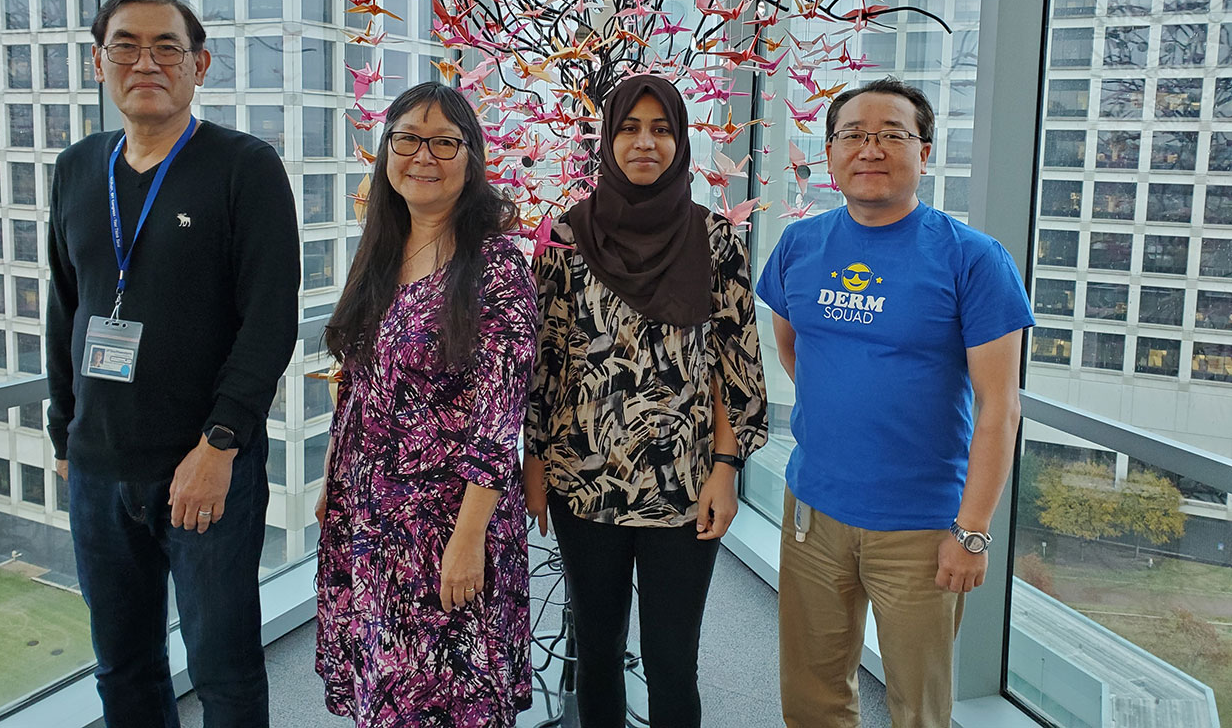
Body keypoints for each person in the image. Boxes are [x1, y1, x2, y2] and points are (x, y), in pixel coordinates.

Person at [46, 0, 300, 728]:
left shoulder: (244, 167)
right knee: (122, 664)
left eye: (167, 47)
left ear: (200, 65)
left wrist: (220, 443)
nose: (145, 61)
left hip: (204, 466)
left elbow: (269, 321)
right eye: (125, 44)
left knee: (223, 669)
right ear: (100, 62)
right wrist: (66, 433)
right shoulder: (76, 169)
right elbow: (66, 305)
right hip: (97, 469)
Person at [755, 77, 1035, 728]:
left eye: (892, 135)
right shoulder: (800, 245)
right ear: (829, 155)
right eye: (853, 134)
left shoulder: (974, 260)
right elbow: (796, 351)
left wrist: (971, 530)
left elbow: (1000, 408)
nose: (870, 148)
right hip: (814, 511)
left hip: (924, 524)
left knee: (918, 704)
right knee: (812, 694)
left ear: (925, 151)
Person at [525, 75, 768, 728]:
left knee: (671, 659)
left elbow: (733, 363)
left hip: (685, 483)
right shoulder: (565, 237)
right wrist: (535, 465)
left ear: (681, 140)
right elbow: (542, 361)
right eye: (629, 127)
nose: (645, 142)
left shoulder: (715, 238)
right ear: (607, 139)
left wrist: (727, 467)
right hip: (585, 479)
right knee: (597, 653)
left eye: (661, 128)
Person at [315, 82, 537, 727]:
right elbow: (358, 380)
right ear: (387, 152)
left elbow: (500, 417)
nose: (424, 155)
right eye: (409, 138)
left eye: (446, 141)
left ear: (471, 158)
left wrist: (469, 539)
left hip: (448, 521)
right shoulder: (382, 249)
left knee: (448, 692)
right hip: (370, 515)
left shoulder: (496, 266)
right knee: (385, 684)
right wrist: (335, 475)